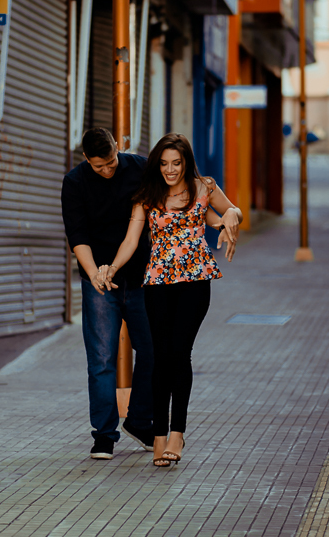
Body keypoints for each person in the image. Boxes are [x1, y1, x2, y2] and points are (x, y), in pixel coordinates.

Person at [103, 133, 242, 468]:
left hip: (195, 282)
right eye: (164, 163)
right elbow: (131, 240)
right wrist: (112, 267)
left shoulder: (203, 187)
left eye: (176, 163)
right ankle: (159, 435)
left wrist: (232, 216)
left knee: (180, 354)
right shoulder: (148, 195)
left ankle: (177, 433)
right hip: (158, 284)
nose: (170, 170)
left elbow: (229, 209)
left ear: (185, 163)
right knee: (160, 356)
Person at [60, 128, 156, 460]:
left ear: (118, 145)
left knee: (153, 351)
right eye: (99, 166)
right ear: (86, 159)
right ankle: (104, 435)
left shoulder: (141, 168)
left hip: (142, 277)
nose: (108, 170)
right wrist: (94, 275)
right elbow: (78, 236)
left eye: (112, 161)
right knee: (101, 360)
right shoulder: (74, 183)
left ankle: (141, 421)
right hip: (99, 280)